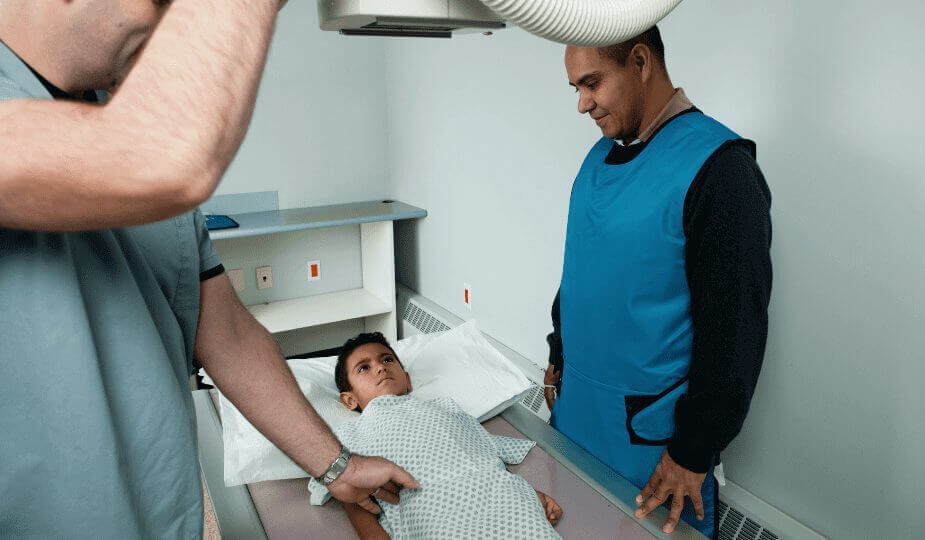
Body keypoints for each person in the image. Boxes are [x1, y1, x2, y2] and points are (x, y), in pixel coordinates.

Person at [0, 1, 416, 537]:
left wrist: (338, 466)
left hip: (159, 511)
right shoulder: (137, 147)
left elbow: (229, 337)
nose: (172, 25)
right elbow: (166, 161)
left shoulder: (113, 115)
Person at [543, 25, 773, 538]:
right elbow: (583, 266)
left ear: (641, 63)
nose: (583, 104)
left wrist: (693, 450)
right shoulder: (597, 158)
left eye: (592, 83)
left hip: (652, 447)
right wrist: (559, 347)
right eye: (576, 88)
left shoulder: (720, 171)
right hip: (578, 418)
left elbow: (735, 331)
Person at [319, 332, 564, 539]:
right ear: (349, 400)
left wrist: (528, 495)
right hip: (433, 512)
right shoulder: (349, 434)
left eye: (387, 359)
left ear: (408, 380)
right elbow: (352, 496)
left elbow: (483, 452)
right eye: (364, 367)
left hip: (498, 496)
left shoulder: (446, 407)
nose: (380, 367)